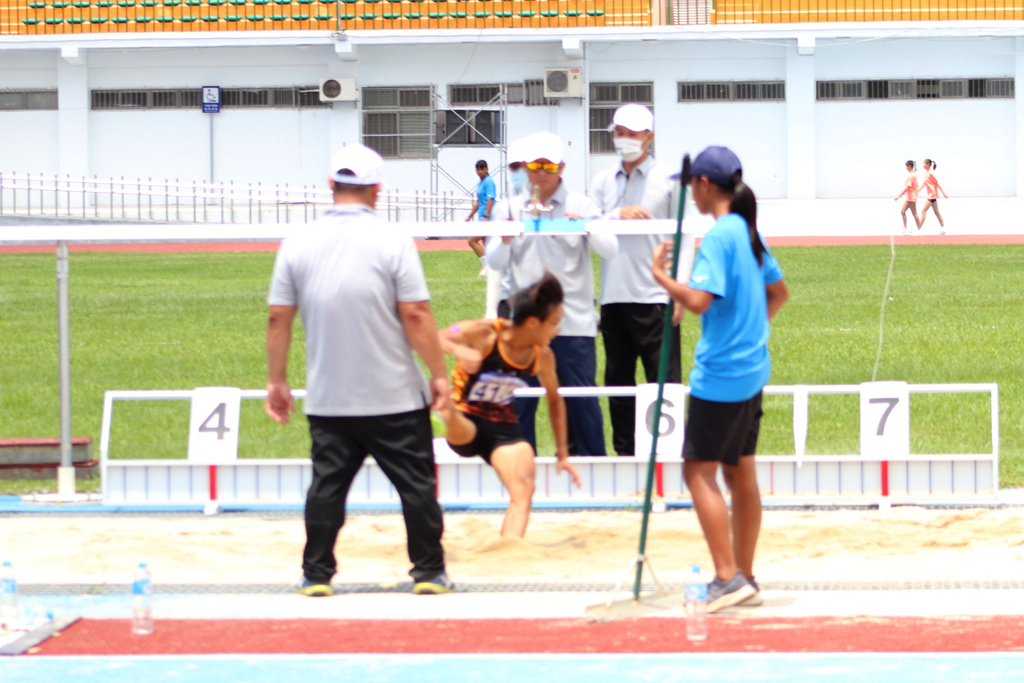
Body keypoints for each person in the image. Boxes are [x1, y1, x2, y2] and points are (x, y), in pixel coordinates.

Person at [265, 144, 454, 597]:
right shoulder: (393, 239)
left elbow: (278, 318)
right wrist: (438, 373)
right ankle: (428, 571)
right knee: (416, 487)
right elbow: (416, 313)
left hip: (330, 398)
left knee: (326, 488)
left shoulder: (298, 241)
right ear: (377, 190)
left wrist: (277, 380)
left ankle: (316, 575)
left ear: (331, 186)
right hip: (395, 396)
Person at [650, 146, 788, 613]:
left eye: (691, 185)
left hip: (721, 376)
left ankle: (728, 577)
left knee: (697, 472)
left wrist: (663, 280)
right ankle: (745, 575)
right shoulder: (748, 234)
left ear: (705, 185)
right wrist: (754, 330)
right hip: (752, 370)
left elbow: (700, 301)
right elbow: (778, 292)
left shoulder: (718, 238)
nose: (690, 193)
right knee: (740, 471)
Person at [486, 131, 619, 456]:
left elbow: (611, 249)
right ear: (526, 169)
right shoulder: (509, 208)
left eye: (548, 166)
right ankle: (520, 468)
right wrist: (505, 238)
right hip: (525, 328)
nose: (541, 173)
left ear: (562, 167)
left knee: (582, 403)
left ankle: (593, 471)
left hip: (573, 326)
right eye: (535, 165)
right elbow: (494, 261)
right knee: (520, 404)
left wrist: (588, 225)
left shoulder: (582, 204)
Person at [438, 273, 582, 537]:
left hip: (503, 428)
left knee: (524, 489)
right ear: (531, 323)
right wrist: (461, 352)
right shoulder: (483, 332)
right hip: (464, 421)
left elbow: (554, 399)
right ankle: (437, 413)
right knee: (452, 411)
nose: (558, 331)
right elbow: (438, 337)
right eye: (554, 324)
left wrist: (562, 453)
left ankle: (508, 549)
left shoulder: (543, 355)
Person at [590, 103, 683, 457]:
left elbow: (686, 236)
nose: (624, 140)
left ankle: (667, 457)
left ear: (649, 136)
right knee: (618, 384)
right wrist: (616, 214)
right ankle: (625, 457)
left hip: (657, 298)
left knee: (664, 384)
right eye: (619, 133)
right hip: (613, 299)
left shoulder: (671, 178)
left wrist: (680, 289)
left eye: (632, 133)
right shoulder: (601, 181)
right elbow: (592, 226)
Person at [467, 159, 497, 276]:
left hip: (487, 217)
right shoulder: (479, 184)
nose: (480, 171)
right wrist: (470, 215)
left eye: (482, 169)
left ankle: (487, 266)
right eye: (478, 169)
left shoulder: (489, 182)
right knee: (487, 243)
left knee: (472, 241)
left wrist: (486, 216)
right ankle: (494, 266)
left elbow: (490, 199)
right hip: (481, 216)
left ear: (486, 169)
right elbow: (479, 201)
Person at [917, 158, 948, 231]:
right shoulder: (927, 173)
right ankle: (944, 228)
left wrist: (944, 193)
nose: (923, 165)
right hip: (931, 195)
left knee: (923, 211)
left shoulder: (931, 173)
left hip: (932, 195)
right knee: (937, 213)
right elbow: (924, 184)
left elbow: (937, 183)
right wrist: (916, 192)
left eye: (924, 164)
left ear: (928, 164)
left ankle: (919, 229)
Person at [894, 160, 921, 234]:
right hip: (909, 197)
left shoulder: (911, 175)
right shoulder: (913, 174)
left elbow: (907, 187)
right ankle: (905, 229)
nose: (906, 168)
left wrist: (899, 196)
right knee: (903, 212)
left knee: (914, 213)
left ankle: (919, 229)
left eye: (907, 166)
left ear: (909, 166)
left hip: (911, 197)